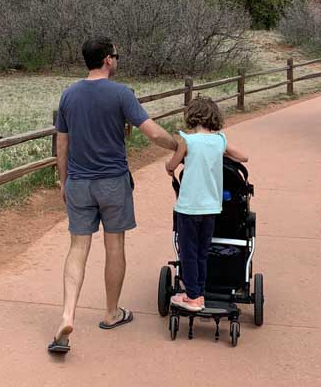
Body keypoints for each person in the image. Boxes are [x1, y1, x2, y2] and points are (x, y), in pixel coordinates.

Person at [48, 36, 179, 354]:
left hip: (78, 182)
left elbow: (61, 145)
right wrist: (180, 145)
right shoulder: (121, 93)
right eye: (116, 56)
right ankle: (111, 312)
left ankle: (67, 314)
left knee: (78, 247)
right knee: (114, 244)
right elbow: (150, 131)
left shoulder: (69, 95)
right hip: (112, 182)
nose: (117, 60)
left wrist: (64, 182)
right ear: (107, 59)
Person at [164, 96, 249, 312]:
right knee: (202, 251)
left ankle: (192, 296)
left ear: (192, 116)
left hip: (189, 207)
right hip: (211, 207)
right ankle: (199, 292)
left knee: (188, 251)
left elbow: (172, 163)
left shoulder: (187, 140)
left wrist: (169, 166)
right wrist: (224, 152)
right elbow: (243, 157)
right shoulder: (220, 141)